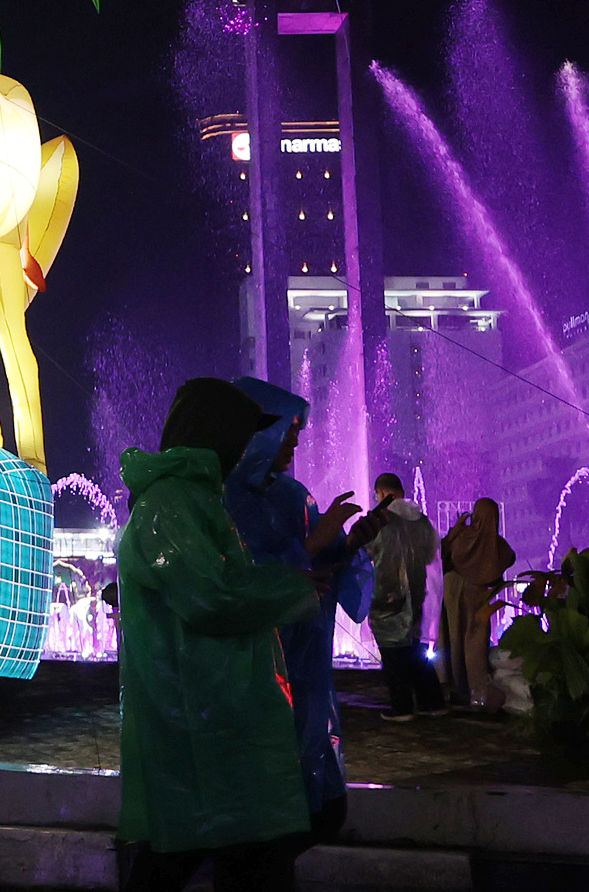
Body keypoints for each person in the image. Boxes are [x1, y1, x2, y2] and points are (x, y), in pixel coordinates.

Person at [115, 378, 319, 892]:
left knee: (222, 851)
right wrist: (290, 589)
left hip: (217, 712)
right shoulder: (171, 503)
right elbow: (211, 597)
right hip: (198, 715)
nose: (247, 450)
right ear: (215, 434)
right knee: (201, 850)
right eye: (240, 437)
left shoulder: (194, 498)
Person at [222, 379, 375, 844]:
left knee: (311, 775)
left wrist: (349, 543)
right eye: (285, 437)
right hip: (256, 669)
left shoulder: (291, 497)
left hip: (305, 667)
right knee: (263, 788)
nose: (291, 447)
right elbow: (241, 583)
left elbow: (316, 569)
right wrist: (318, 538)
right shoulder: (221, 501)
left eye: (295, 437)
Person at [362, 473, 445, 722]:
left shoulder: (381, 520)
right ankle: (432, 701)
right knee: (415, 646)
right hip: (418, 590)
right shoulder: (421, 521)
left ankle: (402, 705)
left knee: (392, 650)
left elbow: (366, 549)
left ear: (382, 492)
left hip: (387, 591)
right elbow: (432, 553)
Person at [439, 497, 514, 714]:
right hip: (478, 597)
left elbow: (442, 552)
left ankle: (454, 688)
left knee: (452, 638)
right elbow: (508, 559)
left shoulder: (462, 537)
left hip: (452, 592)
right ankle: (478, 691)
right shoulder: (498, 546)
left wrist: (456, 530)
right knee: (475, 642)